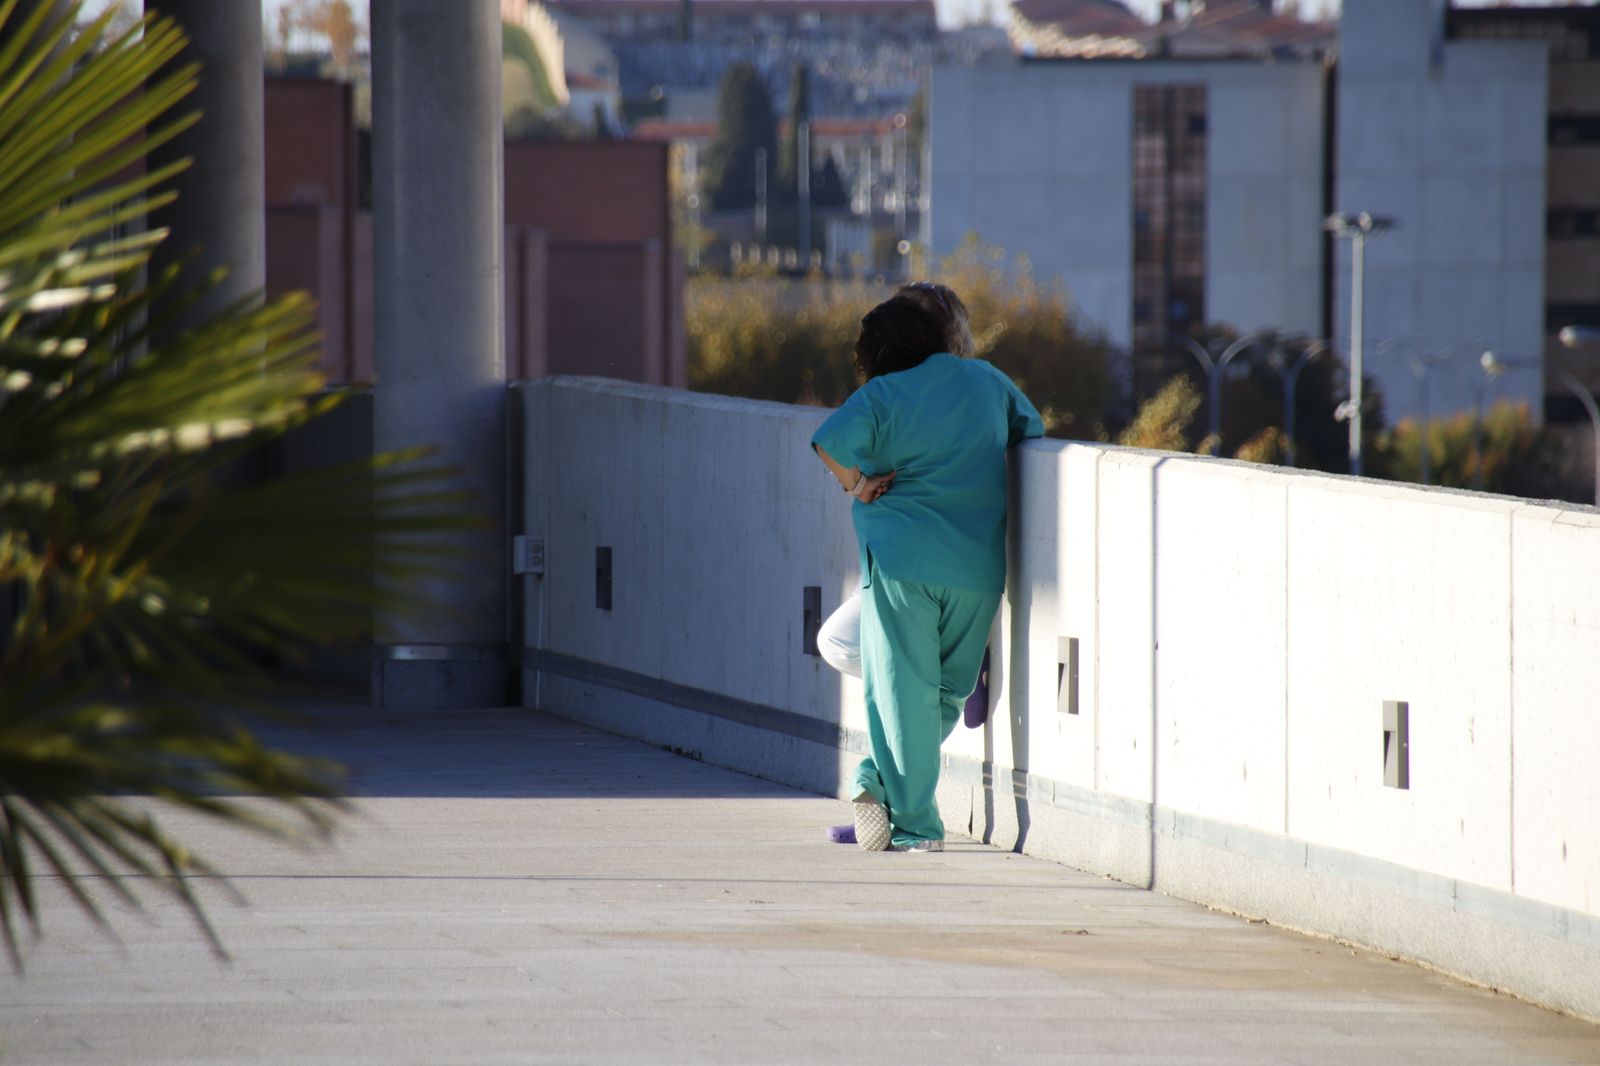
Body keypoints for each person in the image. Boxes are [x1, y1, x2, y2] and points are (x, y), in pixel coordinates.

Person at [811, 291, 1043, 852]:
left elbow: (827, 442)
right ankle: (876, 782)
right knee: (946, 691)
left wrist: (859, 485)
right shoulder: (986, 380)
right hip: (976, 567)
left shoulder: (884, 395)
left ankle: (914, 824)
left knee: (899, 688)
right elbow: (1029, 430)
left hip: (901, 565)